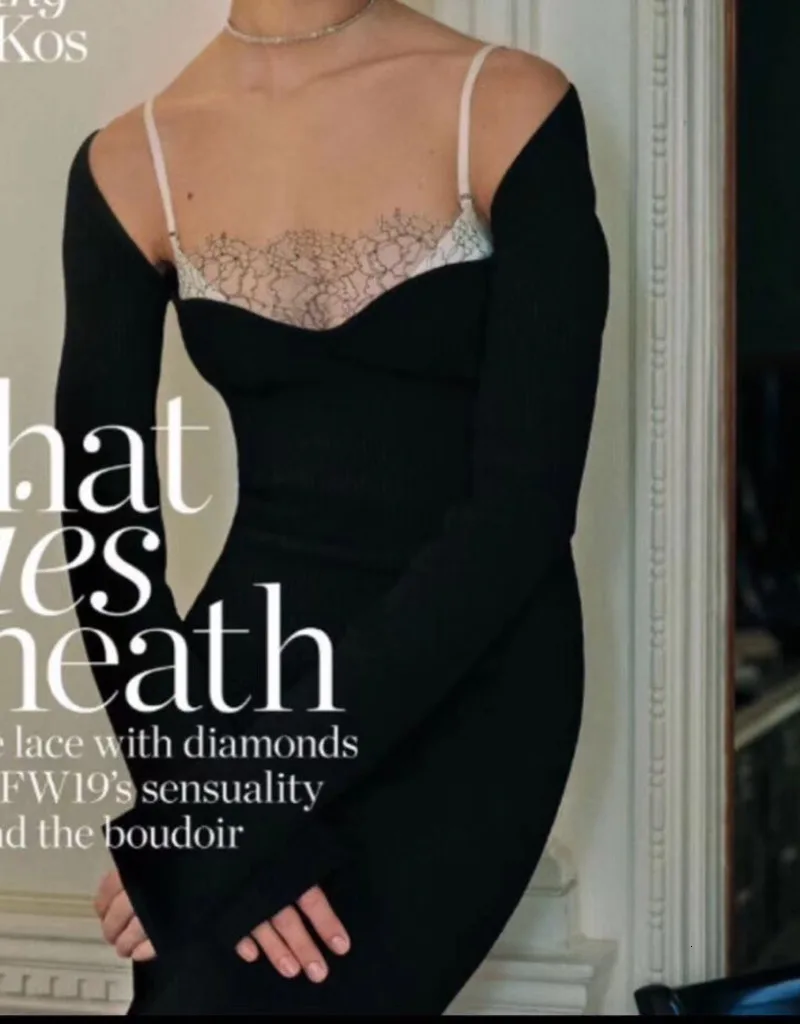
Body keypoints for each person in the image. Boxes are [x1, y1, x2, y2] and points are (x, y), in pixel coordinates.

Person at [56, 0, 610, 1014]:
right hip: (239, 687)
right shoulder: (128, 162)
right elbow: (104, 543)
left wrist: (224, 815)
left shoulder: (506, 106)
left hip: (470, 681)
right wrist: (208, 803)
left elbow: (520, 513)